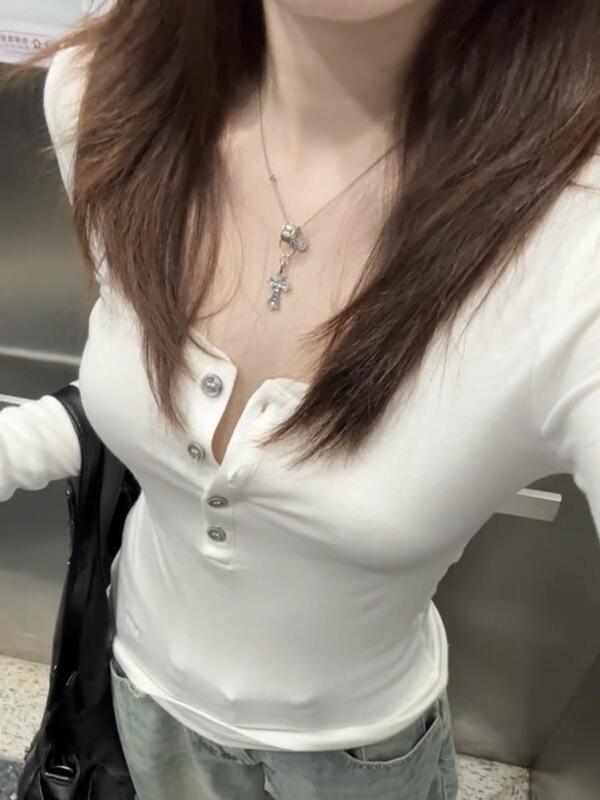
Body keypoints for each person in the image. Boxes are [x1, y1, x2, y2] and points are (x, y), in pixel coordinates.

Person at [2, 0, 600, 797]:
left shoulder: (574, 242)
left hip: (353, 758)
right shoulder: (101, 94)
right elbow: (142, 390)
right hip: (138, 692)